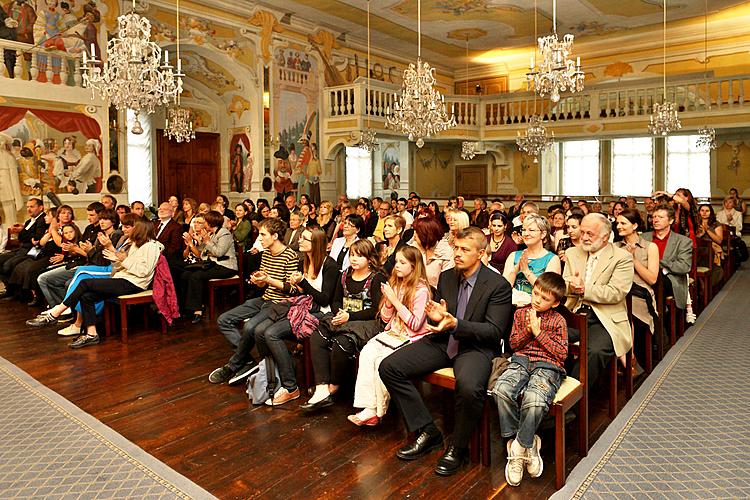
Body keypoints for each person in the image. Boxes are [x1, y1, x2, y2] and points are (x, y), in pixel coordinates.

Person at [379, 227, 513, 476]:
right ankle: (428, 431)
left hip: (475, 347)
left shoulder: (498, 285)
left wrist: (456, 324)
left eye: (465, 250)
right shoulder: (448, 276)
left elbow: (495, 332)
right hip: (444, 340)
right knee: (389, 367)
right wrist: (437, 316)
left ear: (481, 253)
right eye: (456, 248)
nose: (458, 254)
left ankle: (458, 447)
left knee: (470, 387)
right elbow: (441, 312)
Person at [28, 220, 163, 349]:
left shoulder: (152, 247)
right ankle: (91, 334)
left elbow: (143, 272)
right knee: (87, 296)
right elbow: (123, 266)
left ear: (141, 231)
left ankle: (56, 313)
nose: (129, 231)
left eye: (134, 229)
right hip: (122, 278)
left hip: (134, 283)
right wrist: (116, 259)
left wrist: (124, 260)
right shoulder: (136, 245)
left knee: (85, 282)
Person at [491, 272, 568, 487]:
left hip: (547, 366)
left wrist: (539, 333)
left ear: (556, 303)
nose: (537, 300)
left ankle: (517, 449)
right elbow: (514, 344)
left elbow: (561, 354)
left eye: (544, 299)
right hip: (521, 361)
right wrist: (529, 330)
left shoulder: (559, 320)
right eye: (535, 294)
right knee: (501, 390)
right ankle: (528, 442)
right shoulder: (521, 313)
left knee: (535, 399)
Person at [253, 227, 339, 405]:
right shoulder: (303, 261)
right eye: (300, 238)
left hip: (320, 313)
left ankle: (291, 387)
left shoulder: (329, 265)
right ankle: (275, 374)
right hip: (302, 308)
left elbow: (324, 299)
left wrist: (303, 283)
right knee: (260, 331)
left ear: (315, 243)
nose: (299, 241)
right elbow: (299, 292)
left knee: (271, 333)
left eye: (304, 239)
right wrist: (293, 284)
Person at [210, 218, 300, 384]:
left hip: (279, 303)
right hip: (265, 298)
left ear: (274, 236)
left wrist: (268, 279)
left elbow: (292, 289)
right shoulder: (265, 254)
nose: (260, 238)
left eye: (263, 235)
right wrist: (259, 280)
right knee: (224, 320)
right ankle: (247, 360)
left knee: (250, 326)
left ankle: (233, 365)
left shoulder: (290, 256)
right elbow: (264, 282)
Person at [348, 246, 431, 426]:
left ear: (414, 266)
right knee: (367, 352)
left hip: (412, 337)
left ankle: (377, 411)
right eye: (396, 262)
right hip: (393, 332)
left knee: (381, 361)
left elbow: (416, 325)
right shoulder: (395, 283)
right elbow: (385, 318)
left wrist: (394, 300)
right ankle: (368, 407)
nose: (397, 266)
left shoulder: (422, 290)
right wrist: (387, 301)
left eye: (402, 262)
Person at [301, 240, 386, 411]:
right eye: (352, 255)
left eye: (359, 256)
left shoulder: (376, 278)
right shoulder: (345, 274)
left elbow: (377, 310)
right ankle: (322, 386)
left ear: (369, 259)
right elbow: (336, 300)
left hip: (365, 322)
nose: (354, 259)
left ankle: (334, 386)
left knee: (341, 342)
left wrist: (350, 316)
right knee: (317, 335)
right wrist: (339, 312)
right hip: (343, 317)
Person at [562, 213, 634, 388]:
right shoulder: (572, 253)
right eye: (583, 232)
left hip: (605, 317)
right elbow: (564, 286)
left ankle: (571, 404)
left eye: (590, 234)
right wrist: (570, 286)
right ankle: (547, 392)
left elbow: (616, 292)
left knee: (595, 351)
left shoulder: (621, 257)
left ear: (605, 236)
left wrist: (583, 289)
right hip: (574, 312)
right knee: (545, 337)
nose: (584, 238)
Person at [614, 208, 659, 371]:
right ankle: (622, 360)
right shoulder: (615, 246)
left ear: (634, 225)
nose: (618, 226)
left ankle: (629, 360)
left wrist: (632, 259)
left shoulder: (649, 247)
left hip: (640, 294)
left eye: (623, 223)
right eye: (617, 223)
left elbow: (652, 279)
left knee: (626, 314)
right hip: (619, 292)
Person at [179, 210, 237, 324]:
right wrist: (192, 242)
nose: (203, 224)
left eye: (205, 221)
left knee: (197, 276)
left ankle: (198, 310)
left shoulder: (224, 233)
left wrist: (207, 241)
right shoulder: (211, 234)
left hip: (226, 266)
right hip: (213, 264)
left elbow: (219, 252)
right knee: (185, 274)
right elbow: (202, 253)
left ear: (211, 223)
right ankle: (188, 307)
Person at [642, 205, 693, 311]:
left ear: (671, 221)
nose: (655, 220)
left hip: (671, 279)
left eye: (660, 217)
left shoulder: (683, 241)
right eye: (654, 217)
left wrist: (658, 262)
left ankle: (659, 320)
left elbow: (684, 267)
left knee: (658, 280)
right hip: (643, 275)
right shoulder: (643, 237)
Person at [503, 214, 561, 306]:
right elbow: (503, 289)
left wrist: (526, 270)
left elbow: (548, 291)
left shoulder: (552, 259)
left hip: (537, 308)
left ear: (543, 234)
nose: (526, 234)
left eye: (531, 230)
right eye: (524, 230)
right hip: (511, 306)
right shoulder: (514, 255)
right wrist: (515, 270)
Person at [0, 198, 47, 299]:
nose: (29, 209)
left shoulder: (42, 220)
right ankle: (9, 289)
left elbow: (37, 237)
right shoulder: (29, 221)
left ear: (41, 207)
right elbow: (21, 238)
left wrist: (23, 231)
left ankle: (14, 291)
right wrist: (22, 232)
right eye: (27, 207)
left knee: (8, 265)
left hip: (30, 251)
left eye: (32, 207)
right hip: (21, 248)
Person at [411, 216, 454, 288]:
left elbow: (447, 284)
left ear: (425, 235)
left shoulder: (446, 253)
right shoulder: (415, 247)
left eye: (417, 232)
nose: (414, 235)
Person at [0, 133, 24, 226]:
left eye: (1, 140)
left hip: (7, 190)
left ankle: (12, 233)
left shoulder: (9, 157)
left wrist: (17, 196)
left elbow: (14, 178)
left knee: (10, 215)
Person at [154, 202, 184, 266]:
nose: (161, 211)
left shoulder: (176, 227)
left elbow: (174, 248)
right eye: (160, 209)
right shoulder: (154, 224)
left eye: (165, 209)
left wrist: (158, 254)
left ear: (172, 213)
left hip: (165, 259)